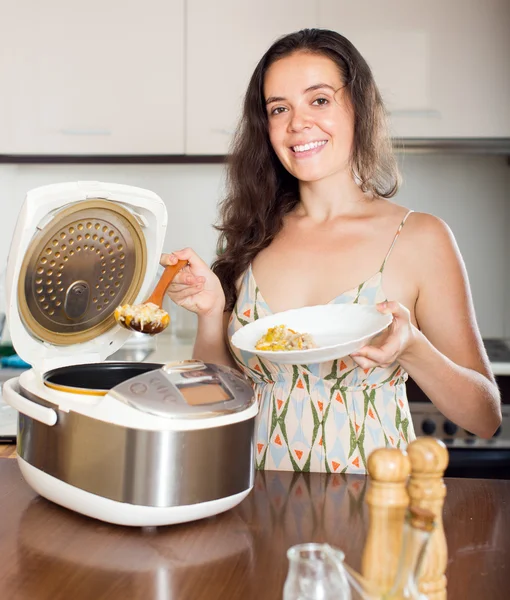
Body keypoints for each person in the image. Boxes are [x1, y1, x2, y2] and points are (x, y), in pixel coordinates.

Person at [161, 28, 501, 474]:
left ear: (360, 108)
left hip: (373, 509)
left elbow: (484, 417)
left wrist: (413, 348)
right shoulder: (251, 235)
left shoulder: (420, 238)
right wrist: (211, 313)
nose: (297, 122)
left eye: (318, 100)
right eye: (278, 109)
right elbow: (215, 400)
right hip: (256, 504)